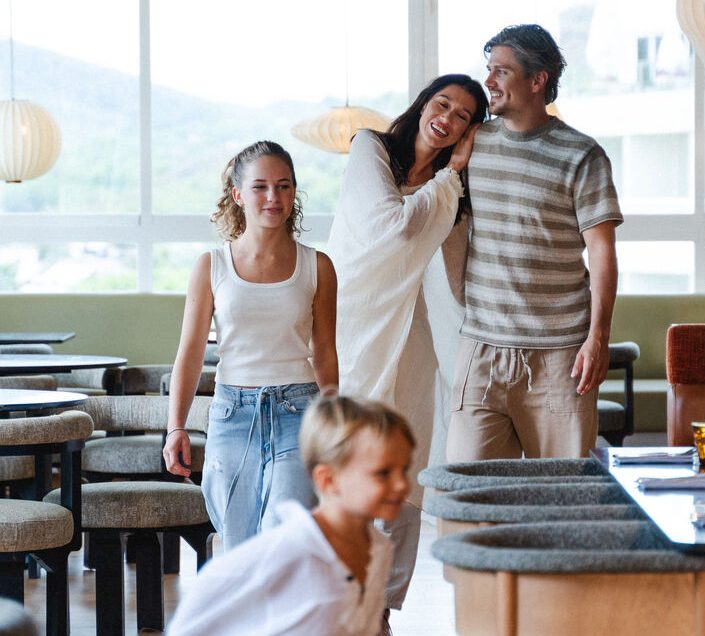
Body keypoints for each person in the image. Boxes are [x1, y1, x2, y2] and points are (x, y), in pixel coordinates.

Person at [325, 74, 488, 616]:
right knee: (351, 459)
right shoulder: (370, 148)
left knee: (406, 467)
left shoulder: (452, 195)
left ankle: (382, 610)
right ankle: (341, 602)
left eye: (463, 115)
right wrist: (451, 179)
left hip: (416, 333)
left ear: (470, 130)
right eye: (443, 104)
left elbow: (457, 276)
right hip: (355, 326)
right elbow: (389, 229)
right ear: (424, 105)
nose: (448, 117)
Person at [445, 24, 623, 462]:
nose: (489, 82)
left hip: (560, 358)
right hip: (482, 349)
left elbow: (602, 253)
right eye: (489, 70)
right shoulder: (473, 142)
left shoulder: (583, 154)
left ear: (537, 79)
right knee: (466, 497)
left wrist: (598, 337)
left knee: (560, 499)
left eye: (501, 72)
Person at [163, 140, 338, 551]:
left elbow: (325, 351)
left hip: (301, 412)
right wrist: (176, 428)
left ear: (294, 193)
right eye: (260, 187)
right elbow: (189, 352)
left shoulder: (319, 266)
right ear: (238, 194)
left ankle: (283, 616)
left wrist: (336, 427)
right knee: (238, 546)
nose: (273, 197)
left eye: (284, 186)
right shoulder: (211, 265)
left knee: (287, 537)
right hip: (232, 414)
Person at [166, 395, 414, 636]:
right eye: (383, 473)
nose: (402, 484)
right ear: (328, 480)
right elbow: (198, 611)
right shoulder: (283, 552)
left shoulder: (378, 548)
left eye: (404, 470)